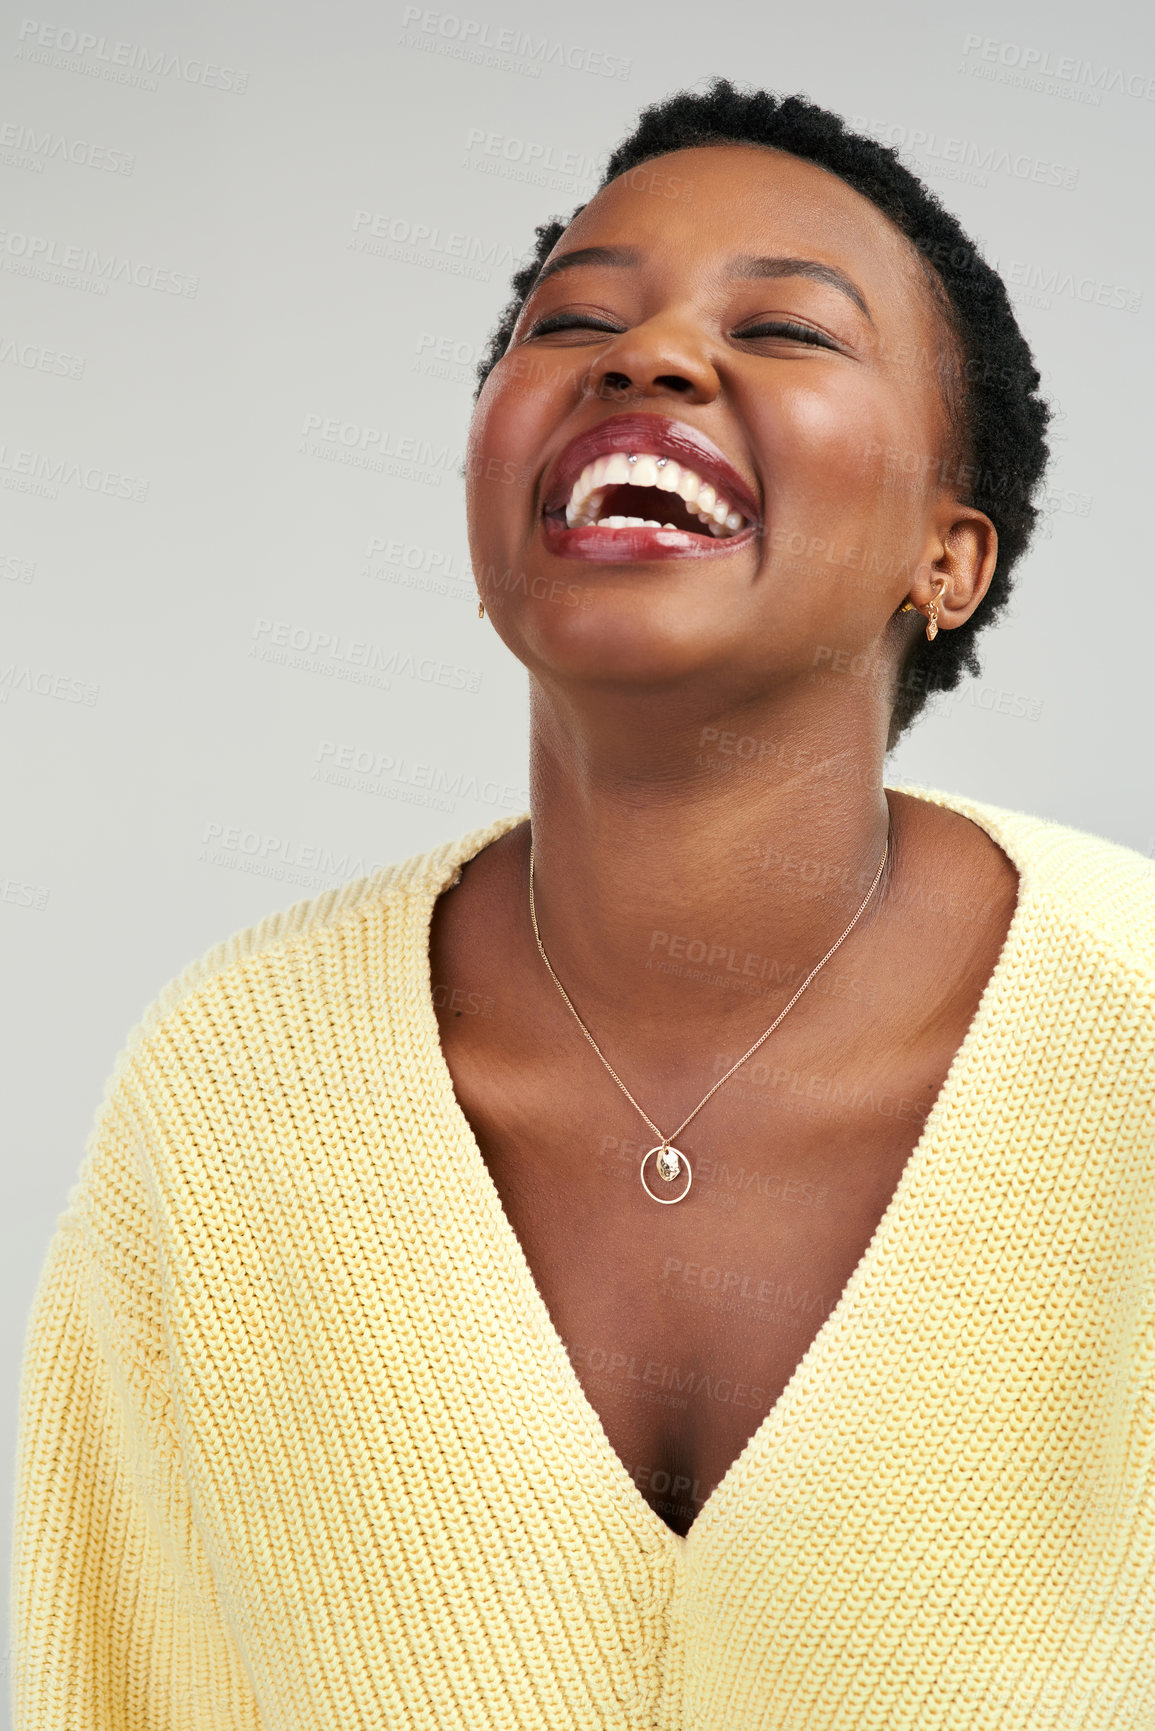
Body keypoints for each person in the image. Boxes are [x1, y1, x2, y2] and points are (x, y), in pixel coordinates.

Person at [11, 79, 1155, 1731]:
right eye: (575, 320)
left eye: (788, 330)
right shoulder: (231, 1091)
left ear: (947, 556)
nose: (652, 355)